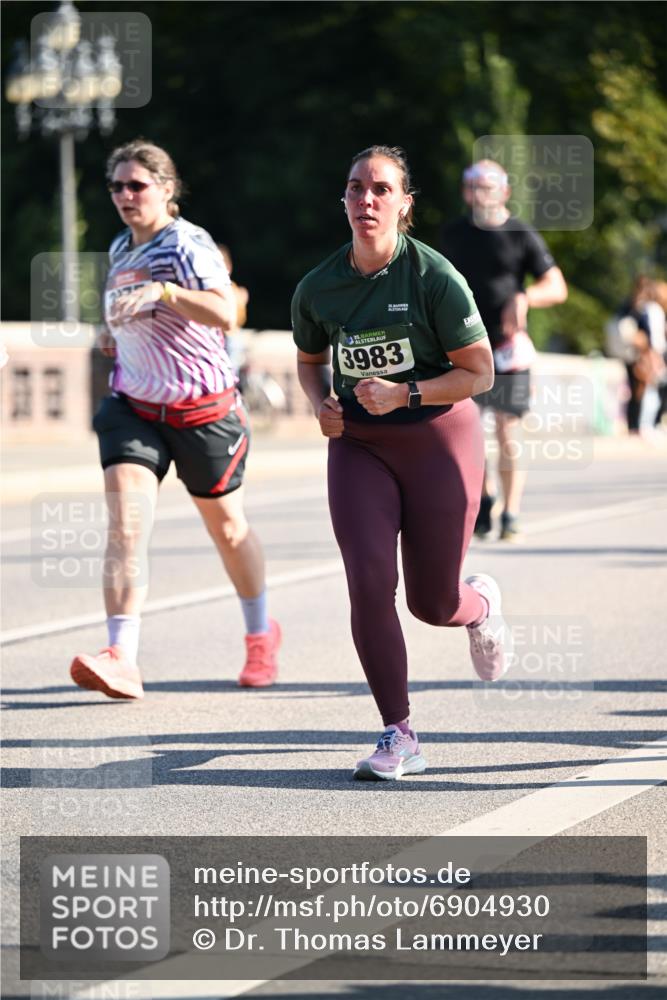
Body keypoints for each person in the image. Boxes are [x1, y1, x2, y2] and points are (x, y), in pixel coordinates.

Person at [292, 145, 513, 780]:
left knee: (432, 604)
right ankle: (399, 734)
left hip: (439, 439)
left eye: (382, 189)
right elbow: (310, 362)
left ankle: (481, 606)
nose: (367, 199)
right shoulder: (318, 287)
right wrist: (319, 403)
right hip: (360, 446)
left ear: (403, 204)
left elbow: (481, 372)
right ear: (344, 199)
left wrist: (406, 393)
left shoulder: (434, 277)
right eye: (356, 187)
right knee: (367, 581)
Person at [70, 140, 281, 700]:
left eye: (136, 185)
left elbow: (226, 313)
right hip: (134, 408)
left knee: (229, 530)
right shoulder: (119, 246)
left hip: (203, 411)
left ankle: (261, 634)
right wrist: (111, 333)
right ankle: (121, 656)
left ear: (167, 189)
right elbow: (125, 308)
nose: (124, 196)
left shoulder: (188, 245)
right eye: (116, 186)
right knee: (126, 525)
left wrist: (166, 291)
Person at [441, 160, 568, 541]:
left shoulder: (519, 232)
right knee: (468, 429)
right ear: (466, 191)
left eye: (488, 186)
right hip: (465, 347)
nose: (480, 193)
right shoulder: (453, 233)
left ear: (504, 191)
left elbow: (557, 286)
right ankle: (484, 500)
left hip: (509, 347)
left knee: (507, 429)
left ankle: (511, 512)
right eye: (473, 186)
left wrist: (525, 297)